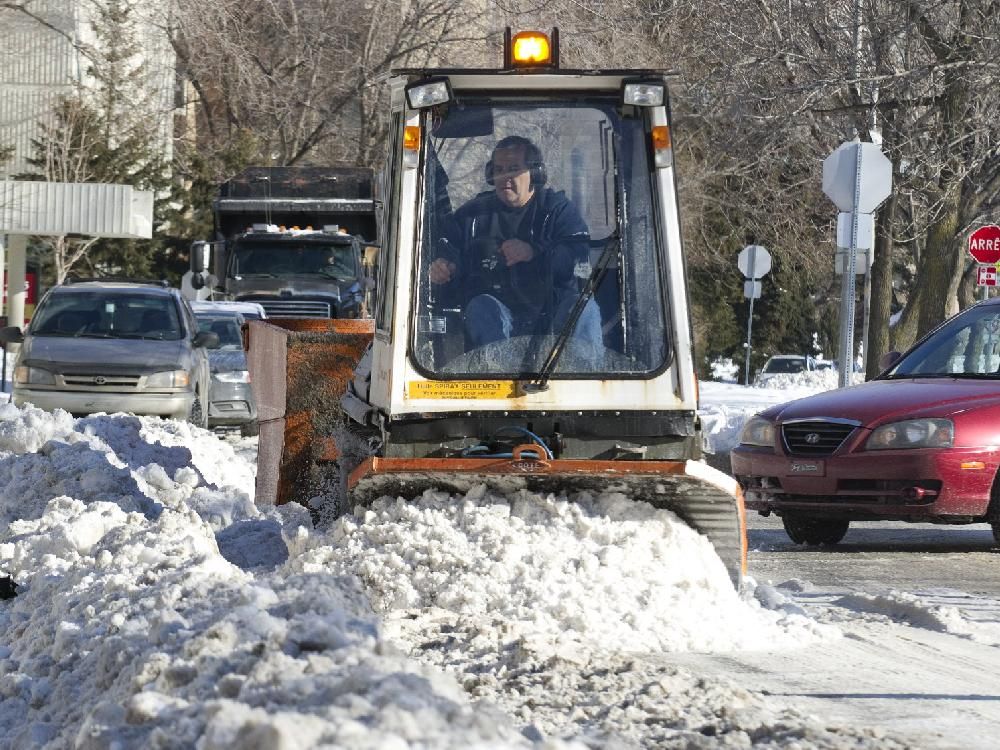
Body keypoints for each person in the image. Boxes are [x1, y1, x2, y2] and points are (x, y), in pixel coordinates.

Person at [428, 135, 602, 351]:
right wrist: (446, 266)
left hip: (551, 314)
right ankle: (495, 371)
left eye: (513, 169)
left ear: (535, 174)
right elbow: (447, 246)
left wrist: (534, 251)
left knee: (583, 307)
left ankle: (583, 370)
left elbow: (577, 256)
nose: (505, 177)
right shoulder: (472, 216)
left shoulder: (557, 210)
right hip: (498, 316)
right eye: (499, 170)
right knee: (481, 307)